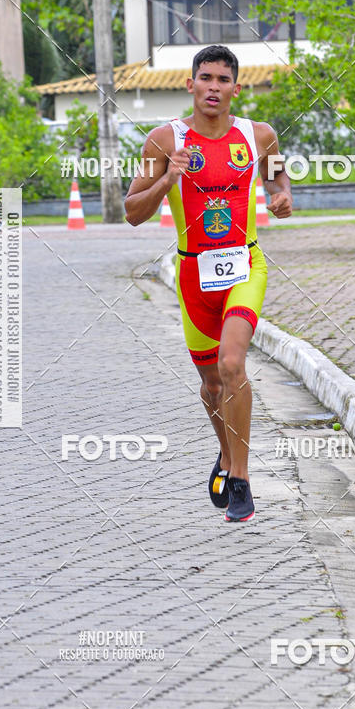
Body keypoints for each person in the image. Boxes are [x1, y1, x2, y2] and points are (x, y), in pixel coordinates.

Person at [125, 45, 292, 522]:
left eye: (223, 79)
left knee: (232, 363)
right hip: (193, 274)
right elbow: (133, 212)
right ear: (190, 84)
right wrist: (167, 180)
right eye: (206, 78)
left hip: (245, 265)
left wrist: (282, 198)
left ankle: (241, 478)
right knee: (212, 385)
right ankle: (226, 451)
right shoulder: (164, 140)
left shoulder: (258, 136)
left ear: (236, 88)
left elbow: (278, 182)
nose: (213, 87)